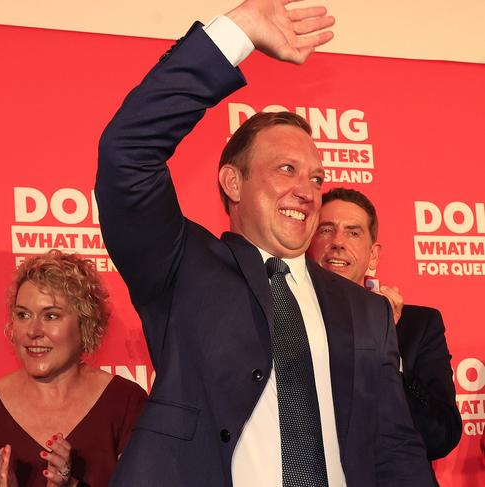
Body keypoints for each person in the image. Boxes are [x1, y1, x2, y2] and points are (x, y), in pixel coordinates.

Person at [96, 0, 433, 485]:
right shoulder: (181, 268)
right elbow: (127, 152)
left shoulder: (366, 311)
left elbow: (395, 449)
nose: (307, 190)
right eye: (285, 169)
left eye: (317, 177)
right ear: (233, 183)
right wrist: (239, 33)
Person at [0, 250, 147, 487]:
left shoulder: (125, 404)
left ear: (85, 324)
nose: (33, 331)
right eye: (23, 315)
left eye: (51, 316)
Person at [306, 187, 462, 483]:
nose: (338, 242)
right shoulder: (286, 322)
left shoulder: (419, 326)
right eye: (326, 230)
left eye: (353, 233)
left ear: (373, 255)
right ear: (306, 243)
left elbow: (440, 437)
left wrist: (385, 346)